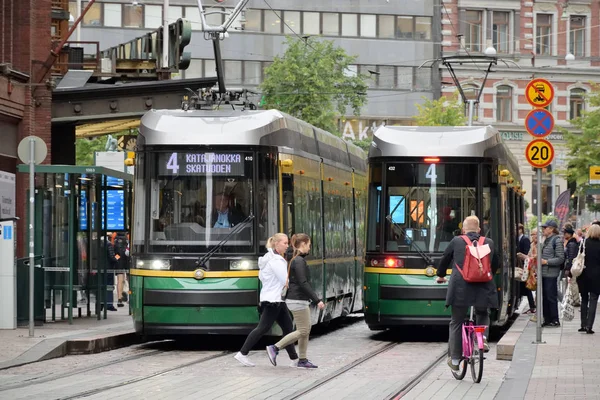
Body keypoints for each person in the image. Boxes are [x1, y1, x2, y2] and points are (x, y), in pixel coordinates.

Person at [436, 216, 499, 371]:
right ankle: (482, 338)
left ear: (463, 230)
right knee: (483, 313)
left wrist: (441, 275)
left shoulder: (456, 241)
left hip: (460, 289)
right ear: (479, 230)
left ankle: (456, 360)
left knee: (456, 321)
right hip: (484, 288)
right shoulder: (489, 242)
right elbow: (495, 264)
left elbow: (445, 259)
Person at [234, 233, 299, 367]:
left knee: (288, 329)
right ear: (276, 244)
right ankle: (242, 353)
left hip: (274, 300)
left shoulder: (267, 259)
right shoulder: (276, 261)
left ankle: (295, 359)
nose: (287, 246)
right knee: (262, 328)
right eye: (285, 243)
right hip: (273, 301)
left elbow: (262, 278)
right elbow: (285, 280)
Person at [266, 234, 325, 369]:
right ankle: (275, 348)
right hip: (297, 299)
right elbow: (303, 282)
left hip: (298, 299)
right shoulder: (298, 261)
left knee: (305, 330)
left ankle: (302, 360)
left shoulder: (294, 259)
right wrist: (317, 300)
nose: (309, 247)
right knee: (303, 330)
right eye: (309, 244)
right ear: (303, 244)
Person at [540, 220, 565, 327]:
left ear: (551, 229)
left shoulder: (557, 241)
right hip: (544, 273)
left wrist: (546, 262)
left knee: (551, 297)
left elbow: (560, 258)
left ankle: (555, 319)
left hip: (551, 274)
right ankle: (547, 319)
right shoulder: (546, 240)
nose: (543, 230)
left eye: (545, 228)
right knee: (545, 297)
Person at [578, 224, 600, 334]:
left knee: (584, 299)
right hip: (597, 276)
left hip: (584, 274)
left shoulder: (584, 243)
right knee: (593, 300)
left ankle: (583, 324)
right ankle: (589, 327)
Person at [516, 224, 535, 314]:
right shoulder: (517, 239)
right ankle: (531, 306)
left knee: (527, 287)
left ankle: (532, 306)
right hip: (522, 266)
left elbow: (527, 252)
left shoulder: (525, 239)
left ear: (521, 230)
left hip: (525, 266)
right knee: (525, 287)